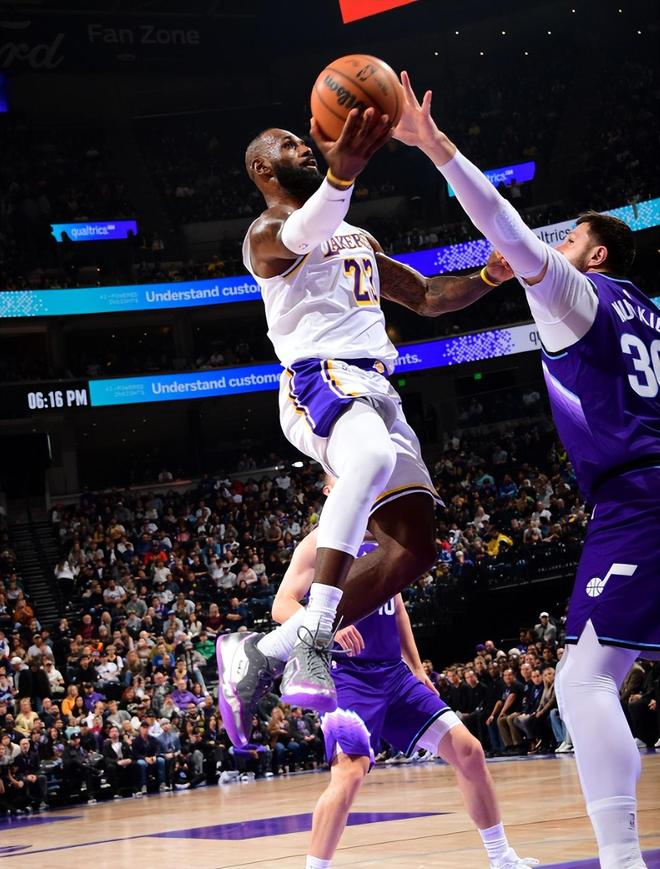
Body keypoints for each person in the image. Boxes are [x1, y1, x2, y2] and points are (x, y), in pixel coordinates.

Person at [391, 70, 660, 869]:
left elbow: (503, 225)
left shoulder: (582, 295)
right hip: (641, 487)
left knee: (583, 682)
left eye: (569, 238)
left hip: (638, 496)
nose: (556, 246)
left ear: (595, 254)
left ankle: (621, 859)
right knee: (598, 672)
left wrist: (436, 147)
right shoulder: (650, 312)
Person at [218, 109, 508, 745]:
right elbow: (307, 226)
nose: (304, 146)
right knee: (371, 459)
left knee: (414, 548)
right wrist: (342, 174)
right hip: (320, 376)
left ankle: (263, 653)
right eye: (289, 144)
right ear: (263, 168)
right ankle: (314, 638)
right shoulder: (266, 234)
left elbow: (426, 296)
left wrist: (490, 277)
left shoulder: (355, 235)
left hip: (378, 388)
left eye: (304, 141)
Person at [272, 518, 538, 869]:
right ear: (329, 492)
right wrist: (324, 624)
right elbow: (282, 605)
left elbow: (397, 609)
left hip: (394, 674)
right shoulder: (320, 541)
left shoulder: (387, 538)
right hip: (347, 677)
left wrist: (415, 666)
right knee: (349, 775)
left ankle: (502, 858)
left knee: (470, 751)